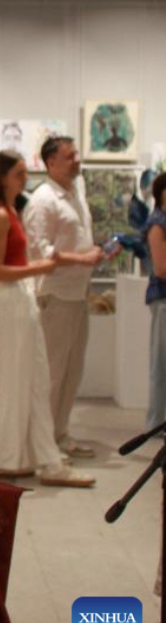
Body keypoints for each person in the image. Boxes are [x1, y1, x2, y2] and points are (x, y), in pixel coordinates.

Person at [0, 151, 94, 487]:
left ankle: (33, 454)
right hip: (9, 299)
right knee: (13, 377)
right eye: (18, 173)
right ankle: (8, 455)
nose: (24, 178)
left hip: (20, 297)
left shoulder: (12, 212)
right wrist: (45, 267)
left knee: (33, 375)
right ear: (3, 177)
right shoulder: (0, 215)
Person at [23, 136, 103, 458]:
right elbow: (38, 250)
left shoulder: (76, 193)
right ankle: (43, 444)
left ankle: (60, 433)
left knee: (73, 370)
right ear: (50, 162)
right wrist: (82, 259)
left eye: (76, 155)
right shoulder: (43, 200)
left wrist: (94, 251)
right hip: (54, 294)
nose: (76, 161)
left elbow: (77, 238)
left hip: (77, 293)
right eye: (69, 156)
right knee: (53, 373)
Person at [144, 173, 166, 431]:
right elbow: (161, 267)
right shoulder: (158, 223)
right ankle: (156, 424)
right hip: (162, 298)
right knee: (161, 365)